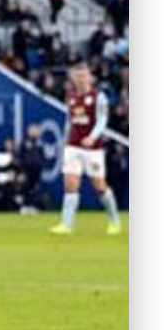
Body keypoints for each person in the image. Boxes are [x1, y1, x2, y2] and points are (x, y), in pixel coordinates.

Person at [50, 63, 122, 236]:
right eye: (77, 76)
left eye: (84, 75)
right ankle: (66, 225)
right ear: (73, 78)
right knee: (70, 184)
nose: (81, 79)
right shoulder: (72, 97)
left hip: (93, 149)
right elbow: (70, 120)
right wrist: (65, 139)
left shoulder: (99, 97)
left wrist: (93, 136)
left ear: (90, 77)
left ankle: (114, 221)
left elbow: (102, 120)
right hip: (73, 146)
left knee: (99, 186)